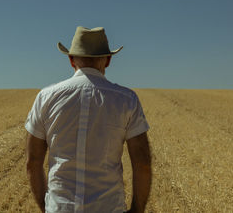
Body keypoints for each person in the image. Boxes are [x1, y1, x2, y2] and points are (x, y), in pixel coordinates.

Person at [25, 26, 152, 213]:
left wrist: (48, 208)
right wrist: (137, 209)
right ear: (108, 60)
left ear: (70, 59)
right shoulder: (127, 100)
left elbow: (32, 162)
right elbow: (142, 163)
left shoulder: (45, 98)